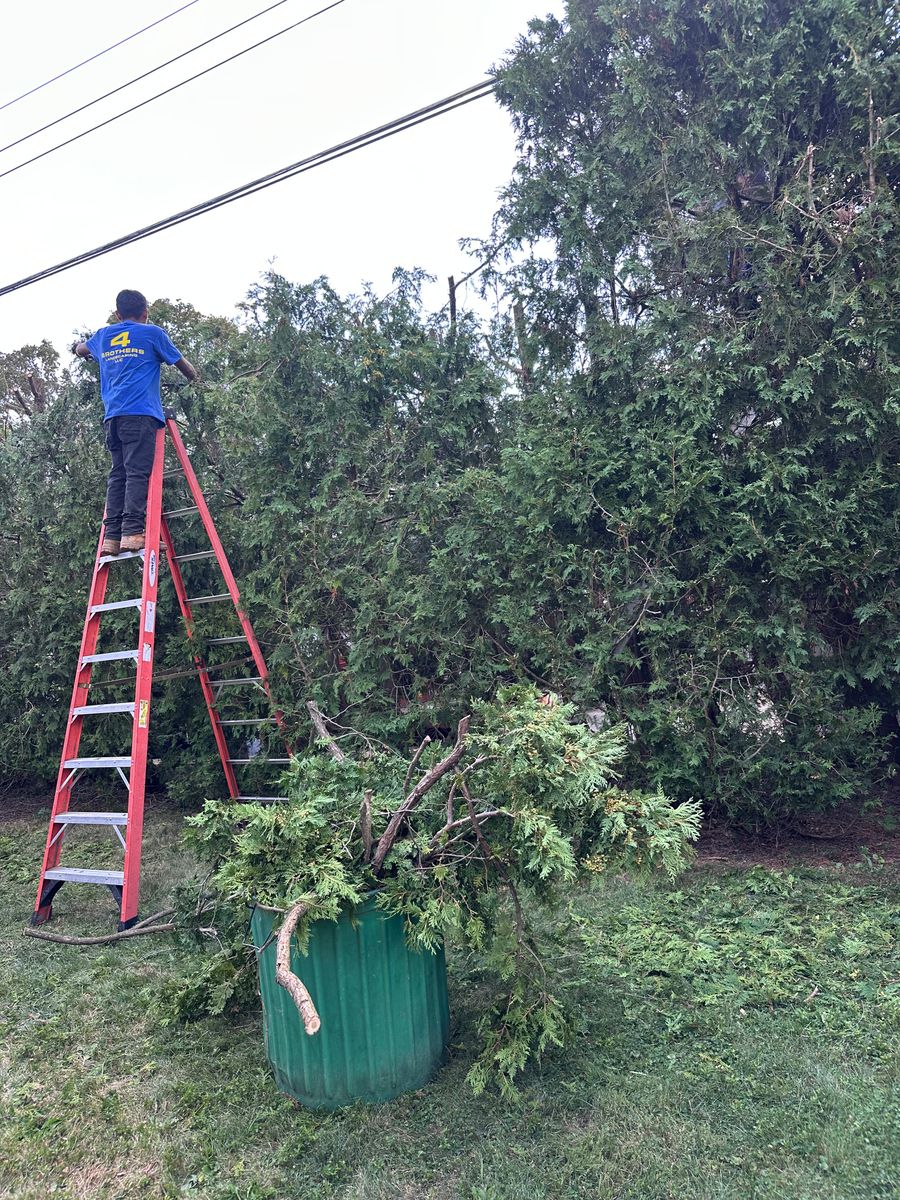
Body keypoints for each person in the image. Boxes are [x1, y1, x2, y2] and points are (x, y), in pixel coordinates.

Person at [72, 289, 198, 555]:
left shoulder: (103, 336)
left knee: (118, 473)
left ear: (118, 314)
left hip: (113, 418)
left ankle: (111, 538)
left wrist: (78, 349)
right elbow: (186, 368)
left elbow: (81, 349)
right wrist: (195, 378)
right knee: (137, 472)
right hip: (140, 414)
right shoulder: (153, 333)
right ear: (146, 313)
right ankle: (132, 533)